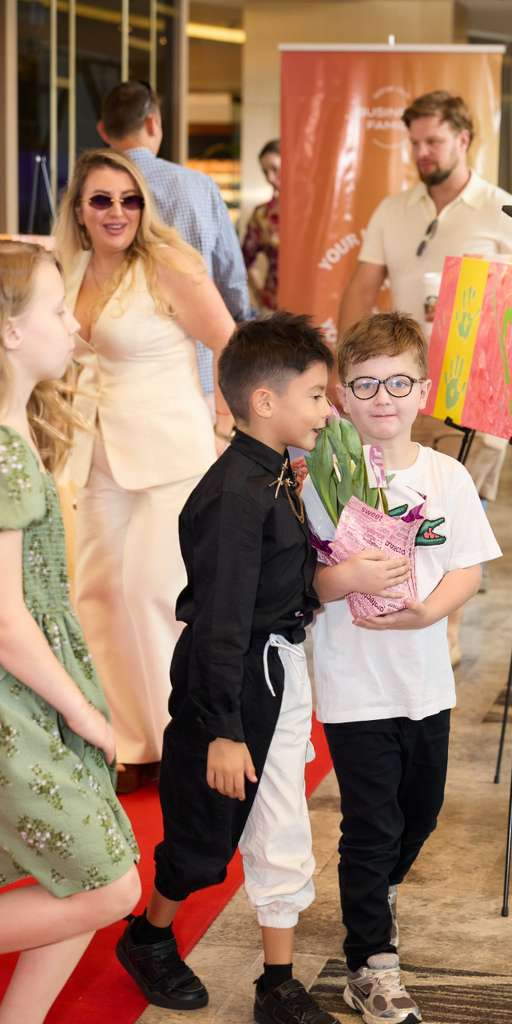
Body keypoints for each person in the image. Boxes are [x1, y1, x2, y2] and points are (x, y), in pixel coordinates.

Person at [116, 312, 338, 1024]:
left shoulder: (274, 474)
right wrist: (223, 730)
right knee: (204, 837)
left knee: (281, 826)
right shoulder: (236, 494)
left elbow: (278, 584)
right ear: (265, 401)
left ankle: (278, 984)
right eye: (315, 395)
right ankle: (149, 936)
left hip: (277, 672)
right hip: (230, 686)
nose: (326, 409)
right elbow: (219, 622)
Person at [302, 312, 501, 1024]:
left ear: (422, 390)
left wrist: (428, 614)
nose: (382, 398)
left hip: (426, 681)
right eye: (364, 384)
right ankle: (372, 965)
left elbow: (469, 567)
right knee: (372, 824)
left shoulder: (446, 476)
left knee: (422, 813)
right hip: (355, 684)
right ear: (342, 394)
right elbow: (305, 584)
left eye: (397, 383)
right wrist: (347, 576)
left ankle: (378, 893)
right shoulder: (322, 479)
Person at [54, 148, 235, 793]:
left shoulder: (168, 264)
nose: (118, 212)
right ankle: (131, 743)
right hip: (96, 459)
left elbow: (228, 342)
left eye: (130, 200)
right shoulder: (69, 270)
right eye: (102, 200)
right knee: (97, 595)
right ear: (79, 210)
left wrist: (226, 426)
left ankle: (180, 739)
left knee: (156, 595)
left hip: (171, 460)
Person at [0, 240, 140, 1024]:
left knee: (88, 877)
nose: (73, 325)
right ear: (10, 330)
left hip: (32, 688)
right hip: (17, 697)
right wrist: (84, 713)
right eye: (56, 310)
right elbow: (3, 619)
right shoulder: (5, 452)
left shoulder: (16, 434)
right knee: (110, 885)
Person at [338, 90, 512, 663]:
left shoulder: (505, 211)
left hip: (475, 392)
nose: (423, 151)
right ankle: (393, 610)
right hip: (396, 387)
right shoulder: (393, 210)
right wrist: (344, 367)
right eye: (415, 142)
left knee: (453, 507)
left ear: (464, 139)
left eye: (434, 141)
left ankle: (444, 629)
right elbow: (361, 288)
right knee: (393, 500)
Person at [98, 79, 249, 421]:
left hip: (120, 373)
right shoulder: (199, 186)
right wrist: (234, 320)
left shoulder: (95, 197)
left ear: (103, 130)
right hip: (200, 366)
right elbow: (231, 278)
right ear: (153, 123)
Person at [242, 139, 280, 312]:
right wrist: (260, 293)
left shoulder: (315, 211)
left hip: (315, 301)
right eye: (265, 172)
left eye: (274, 169)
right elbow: (245, 259)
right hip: (276, 308)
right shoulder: (262, 215)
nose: (269, 178)